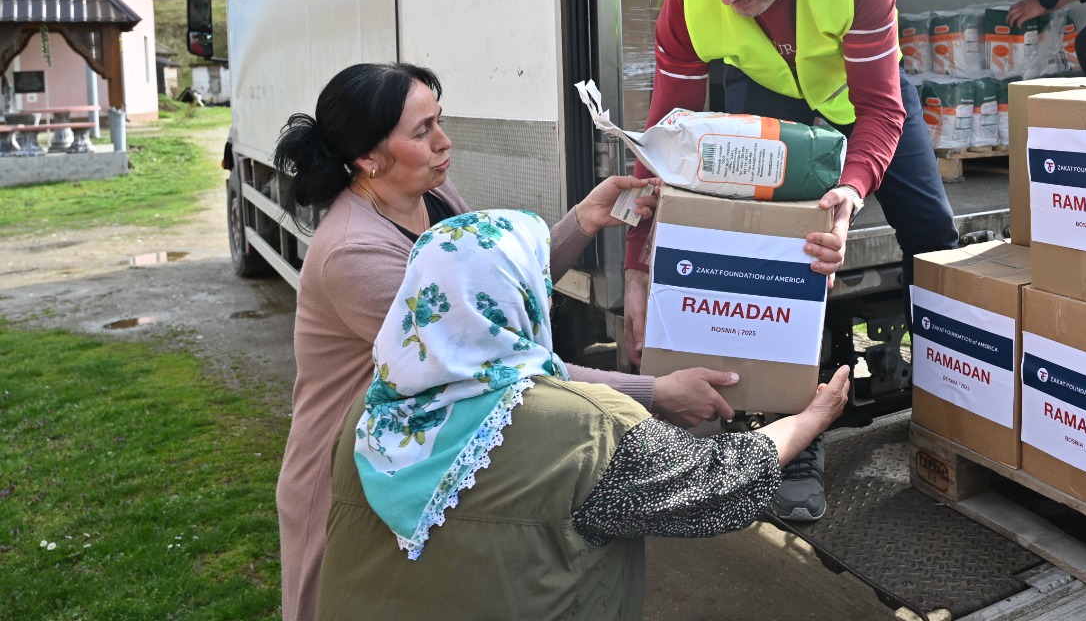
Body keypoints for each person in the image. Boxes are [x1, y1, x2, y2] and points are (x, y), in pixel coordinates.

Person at [273, 62, 739, 621]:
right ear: (369, 159)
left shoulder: (434, 191)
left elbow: (488, 292)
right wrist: (655, 391)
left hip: (422, 444)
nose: (445, 141)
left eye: (438, 121)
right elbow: (486, 359)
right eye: (422, 132)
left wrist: (583, 221)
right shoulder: (352, 253)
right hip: (355, 465)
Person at [623, 0, 960, 522]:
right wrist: (639, 264)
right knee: (778, 261)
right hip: (770, 103)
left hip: (865, 104)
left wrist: (851, 191)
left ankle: (956, 406)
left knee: (934, 239)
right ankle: (793, 434)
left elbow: (881, 110)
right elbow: (666, 135)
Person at [317, 208, 851, 619]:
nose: (548, 298)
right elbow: (721, 484)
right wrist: (813, 417)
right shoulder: (586, 430)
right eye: (538, 283)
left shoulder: (370, 415)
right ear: (518, 299)